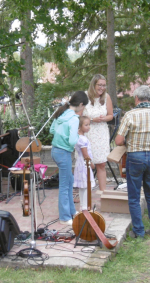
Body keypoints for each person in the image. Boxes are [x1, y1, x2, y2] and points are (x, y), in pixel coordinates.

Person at [115, 85, 150, 239]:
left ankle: (138, 231)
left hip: (135, 157)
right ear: (149, 98)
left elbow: (118, 140)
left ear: (136, 98)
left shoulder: (130, 115)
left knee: (134, 196)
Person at [50, 91, 88, 225]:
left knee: (69, 180)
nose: (83, 110)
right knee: (65, 185)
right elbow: (72, 141)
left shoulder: (61, 113)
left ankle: (72, 211)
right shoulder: (73, 119)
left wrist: (62, 137)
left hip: (55, 151)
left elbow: (52, 131)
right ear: (80, 104)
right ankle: (65, 217)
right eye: (83, 107)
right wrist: (79, 138)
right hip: (63, 152)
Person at [83, 74, 114, 191]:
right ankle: (85, 193)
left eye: (104, 85)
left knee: (101, 164)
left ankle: (103, 193)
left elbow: (111, 115)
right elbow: (79, 117)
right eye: (99, 85)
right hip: (88, 132)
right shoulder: (85, 97)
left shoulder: (107, 97)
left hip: (101, 132)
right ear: (93, 85)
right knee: (87, 164)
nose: (102, 88)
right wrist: (91, 120)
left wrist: (103, 119)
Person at [74, 116, 96, 211]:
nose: (88, 127)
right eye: (86, 125)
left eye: (89, 125)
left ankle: (83, 206)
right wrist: (91, 163)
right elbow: (85, 154)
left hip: (80, 163)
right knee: (87, 185)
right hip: (84, 164)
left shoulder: (78, 137)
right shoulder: (82, 139)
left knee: (83, 186)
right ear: (79, 126)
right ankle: (85, 206)